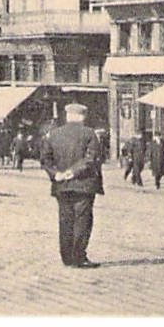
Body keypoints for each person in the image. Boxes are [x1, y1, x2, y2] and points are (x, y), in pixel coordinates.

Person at [37, 103, 103, 268]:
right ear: (82, 117)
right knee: (82, 220)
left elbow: (45, 160)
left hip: (61, 185)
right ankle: (79, 256)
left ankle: (66, 257)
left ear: (67, 116)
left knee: (65, 219)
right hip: (84, 184)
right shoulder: (90, 134)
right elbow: (91, 158)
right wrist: (73, 172)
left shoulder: (53, 135)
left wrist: (56, 174)